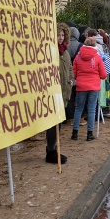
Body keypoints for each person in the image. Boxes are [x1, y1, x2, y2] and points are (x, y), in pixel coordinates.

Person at [44, 23, 73, 164]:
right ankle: (51, 151)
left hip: (64, 92)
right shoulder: (51, 51)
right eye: (58, 35)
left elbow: (70, 67)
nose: (60, 38)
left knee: (59, 123)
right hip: (53, 93)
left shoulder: (65, 52)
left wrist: (71, 80)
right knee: (53, 124)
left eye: (62, 35)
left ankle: (54, 148)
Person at [72, 36, 107, 141]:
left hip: (81, 86)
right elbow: (103, 75)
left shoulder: (78, 57)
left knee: (78, 109)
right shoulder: (97, 57)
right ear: (94, 44)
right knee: (91, 110)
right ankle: (89, 134)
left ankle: (75, 133)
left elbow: (74, 72)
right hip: (93, 86)